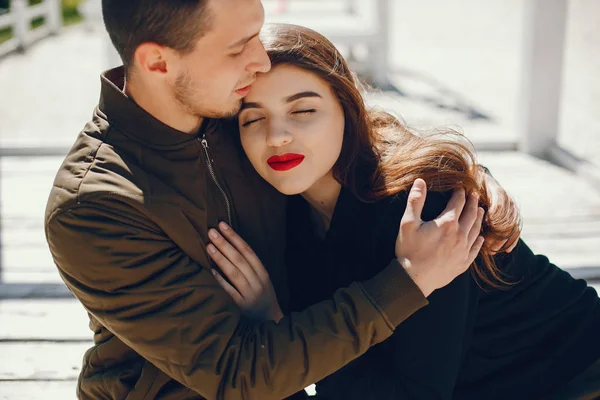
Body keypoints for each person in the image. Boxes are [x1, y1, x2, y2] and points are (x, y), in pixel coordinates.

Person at [43, 1, 515, 399]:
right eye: (238, 47)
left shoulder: (228, 109)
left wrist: (465, 180)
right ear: (158, 63)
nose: (260, 60)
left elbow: (343, 122)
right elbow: (235, 374)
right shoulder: (94, 207)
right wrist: (407, 282)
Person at [207, 24, 600, 400]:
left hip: (575, 374)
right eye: (253, 118)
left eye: (304, 111)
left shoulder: (421, 209)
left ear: (347, 109)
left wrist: (277, 329)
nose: (276, 136)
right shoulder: (282, 211)